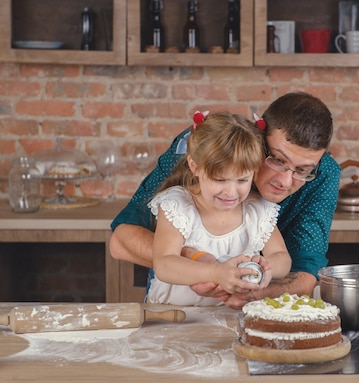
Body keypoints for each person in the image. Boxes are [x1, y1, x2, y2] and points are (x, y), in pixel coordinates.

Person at [110, 92, 341, 308]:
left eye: (302, 170)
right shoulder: (209, 145)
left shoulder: (322, 174)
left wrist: (250, 286)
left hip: (239, 311)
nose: (285, 180)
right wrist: (202, 263)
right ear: (258, 140)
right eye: (278, 160)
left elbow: (305, 272)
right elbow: (121, 242)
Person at [146, 111, 291, 306]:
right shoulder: (178, 206)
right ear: (194, 166)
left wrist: (266, 266)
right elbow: (164, 263)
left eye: (242, 180)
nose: (231, 192)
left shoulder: (257, 211)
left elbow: (282, 258)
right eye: (220, 180)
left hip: (231, 318)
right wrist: (216, 273)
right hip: (172, 319)